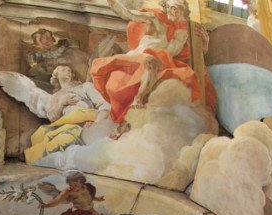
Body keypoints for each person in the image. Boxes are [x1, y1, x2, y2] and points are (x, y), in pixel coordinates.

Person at [89, 0, 214, 139]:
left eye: (177, 9)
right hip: (137, 59)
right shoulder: (154, 19)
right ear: (166, 7)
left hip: (157, 62)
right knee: (150, 64)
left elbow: (176, 52)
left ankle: (130, 121)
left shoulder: (181, 32)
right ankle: (134, 106)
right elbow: (127, 13)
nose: (174, 12)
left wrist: (202, 49)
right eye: (172, 8)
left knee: (162, 78)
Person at [39, 171, 104, 215]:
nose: (73, 187)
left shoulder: (87, 187)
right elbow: (57, 200)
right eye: (70, 185)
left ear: (82, 183)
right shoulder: (68, 191)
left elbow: (89, 197)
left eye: (76, 185)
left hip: (91, 209)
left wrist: (97, 199)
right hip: (79, 210)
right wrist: (47, 205)